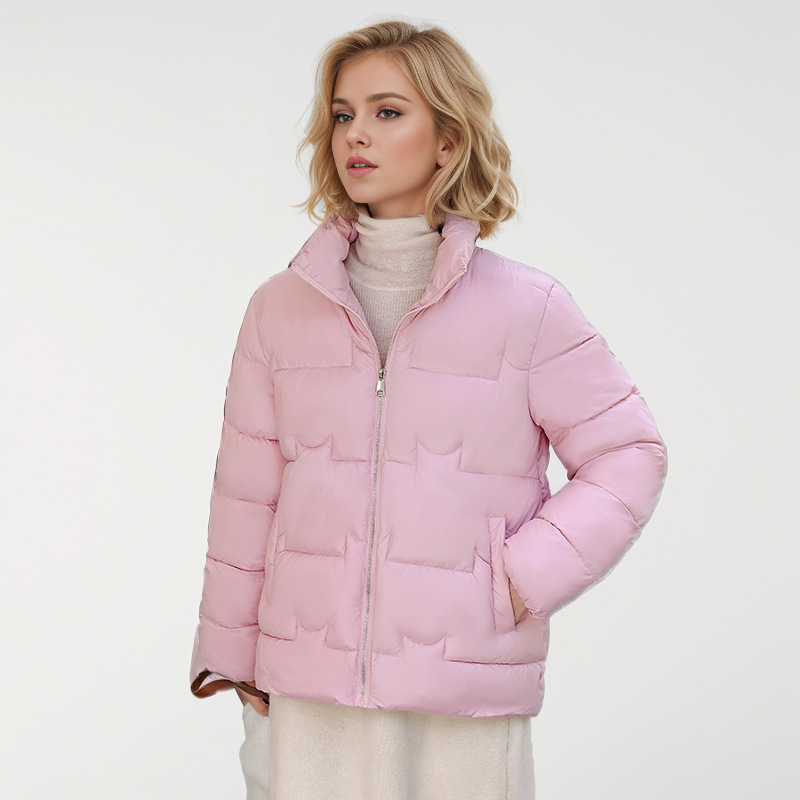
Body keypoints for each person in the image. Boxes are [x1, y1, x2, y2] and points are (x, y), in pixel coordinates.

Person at [189, 18, 667, 800]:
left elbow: (629, 453)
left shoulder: (528, 308)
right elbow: (246, 495)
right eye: (343, 114)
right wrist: (231, 652)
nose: (356, 134)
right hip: (307, 685)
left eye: (387, 111)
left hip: (462, 690)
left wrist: (520, 576)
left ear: (447, 140)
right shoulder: (279, 308)